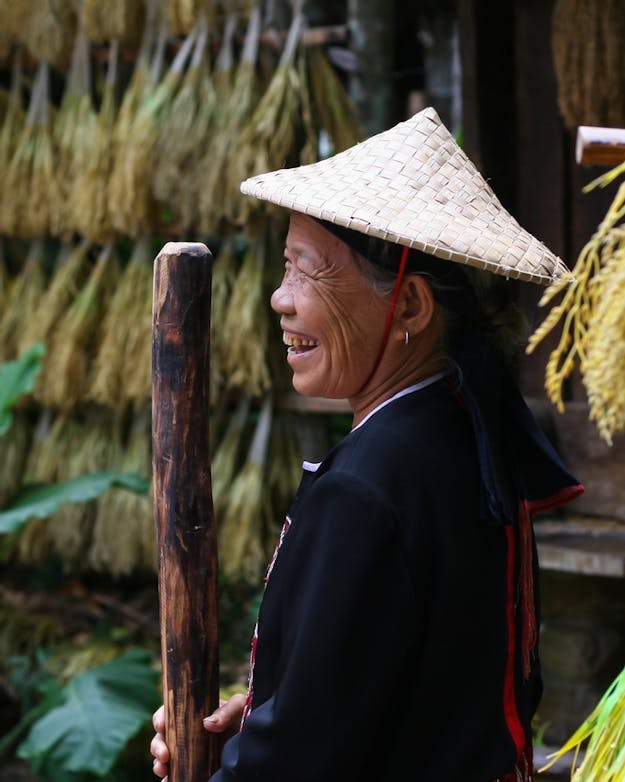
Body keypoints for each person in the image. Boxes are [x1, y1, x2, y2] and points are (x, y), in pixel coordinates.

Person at [150, 106, 584, 781]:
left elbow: (294, 767)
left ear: (408, 307)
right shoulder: (453, 435)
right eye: (284, 267)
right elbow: (406, 698)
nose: (279, 299)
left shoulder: (372, 486)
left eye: (305, 271)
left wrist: (258, 751)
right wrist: (270, 713)